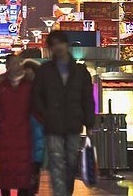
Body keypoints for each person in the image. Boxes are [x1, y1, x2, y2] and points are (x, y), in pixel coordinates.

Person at [34, 30, 95, 196]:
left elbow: (87, 99)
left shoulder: (81, 71)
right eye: (53, 44)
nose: (57, 47)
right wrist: (45, 114)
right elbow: (37, 96)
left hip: (73, 124)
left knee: (70, 163)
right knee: (56, 163)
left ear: (66, 45)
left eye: (60, 43)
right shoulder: (45, 71)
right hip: (52, 125)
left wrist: (89, 123)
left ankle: (66, 192)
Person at [0, 55, 33, 196]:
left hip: (24, 135)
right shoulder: (0, 86)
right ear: (7, 67)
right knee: (4, 174)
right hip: (5, 136)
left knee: (24, 175)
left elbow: (35, 109)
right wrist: (0, 126)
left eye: (18, 63)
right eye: (12, 63)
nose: (16, 66)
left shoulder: (29, 85)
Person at [23, 60, 45, 196]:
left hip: (37, 130)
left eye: (28, 70)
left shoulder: (41, 89)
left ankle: (31, 189)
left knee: (34, 166)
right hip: (26, 131)